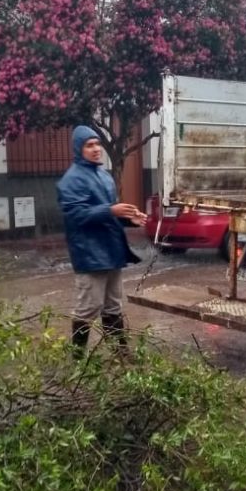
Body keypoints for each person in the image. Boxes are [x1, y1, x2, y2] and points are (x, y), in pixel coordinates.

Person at [57, 125, 147, 356]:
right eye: (90, 145)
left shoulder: (104, 176)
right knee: (88, 308)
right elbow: (76, 216)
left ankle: (121, 354)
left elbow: (110, 213)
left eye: (97, 143)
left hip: (112, 252)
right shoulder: (71, 180)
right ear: (79, 149)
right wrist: (112, 211)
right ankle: (77, 360)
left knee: (113, 306)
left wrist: (130, 219)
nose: (96, 149)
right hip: (89, 254)